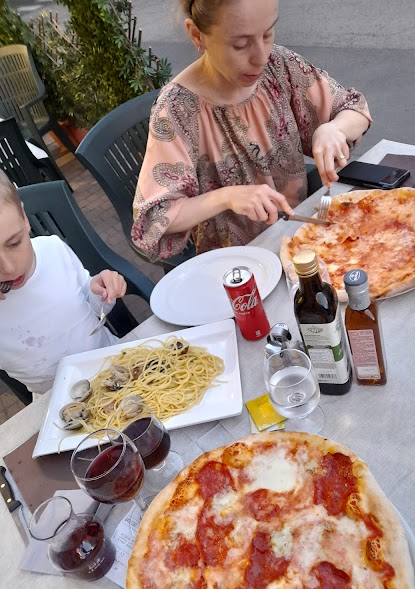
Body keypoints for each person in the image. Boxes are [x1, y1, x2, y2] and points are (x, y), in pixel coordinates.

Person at [132, 0, 372, 262]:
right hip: (239, 268)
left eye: (268, 34)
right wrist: (226, 197)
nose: (261, 56)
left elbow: (354, 109)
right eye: (241, 44)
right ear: (197, 35)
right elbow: (155, 218)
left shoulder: (279, 66)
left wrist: (333, 129)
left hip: (306, 238)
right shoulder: (177, 110)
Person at [0, 171, 127, 395]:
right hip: (57, 399)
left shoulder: (54, 250)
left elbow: (90, 308)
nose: (9, 268)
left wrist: (100, 292)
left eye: (14, 243)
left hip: (115, 362)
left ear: (24, 217)